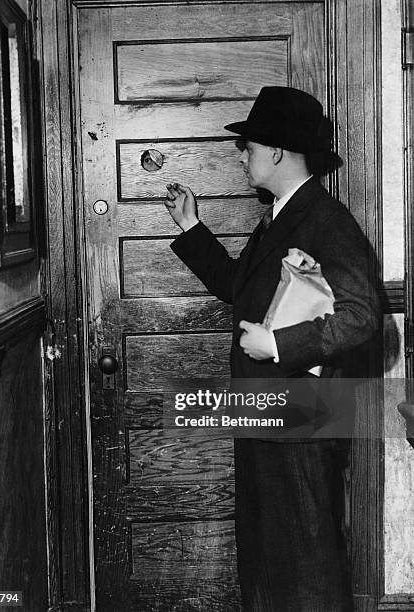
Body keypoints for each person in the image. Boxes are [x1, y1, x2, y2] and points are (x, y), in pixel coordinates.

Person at [163, 86, 380, 611]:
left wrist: (278, 344)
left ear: (278, 151)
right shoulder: (283, 213)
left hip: (301, 416)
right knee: (269, 556)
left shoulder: (325, 218)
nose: (243, 156)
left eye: (249, 147)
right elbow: (240, 283)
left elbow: (363, 316)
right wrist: (191, 227)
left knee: (307, 562)